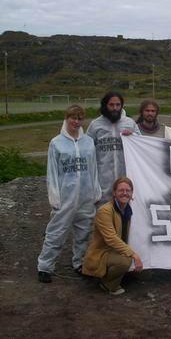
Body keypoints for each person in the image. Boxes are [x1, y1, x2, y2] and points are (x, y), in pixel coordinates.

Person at [38, 105, 101, 283]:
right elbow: (52, 172)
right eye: (73, 118)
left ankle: (79, 263)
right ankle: (45, 266)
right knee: (56, 232)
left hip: (85, 196)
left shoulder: (88, 142)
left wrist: (96, 190)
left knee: (83, 233)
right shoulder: (56, 143)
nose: (76, 121)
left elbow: (93, 168)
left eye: (80, 118)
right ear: (66, 118)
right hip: (65, 196)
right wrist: (54, 196)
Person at [82, 177, 143, 295]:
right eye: (121, 190)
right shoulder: (105, 211)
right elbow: (111, 239)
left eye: (128, 190)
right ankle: (107, 284)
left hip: (118, 250)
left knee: (145, 274)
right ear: (114, 193)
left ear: (131, 193)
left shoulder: (129, 209)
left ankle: (119, 275)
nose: (125, 193)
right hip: (103, 252)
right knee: (125, 261)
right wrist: (134, 255)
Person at [87, 91, 140, 205]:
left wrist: (133, 136)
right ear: (105, 105)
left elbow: (140, 147)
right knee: (104, 214)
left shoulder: (130, 123)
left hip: (125, 178)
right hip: (103, 179)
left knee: (125, 214)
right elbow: (87, 151)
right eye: (111, 105)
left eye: (118, 105)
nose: (115, 108)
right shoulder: (95, 125)